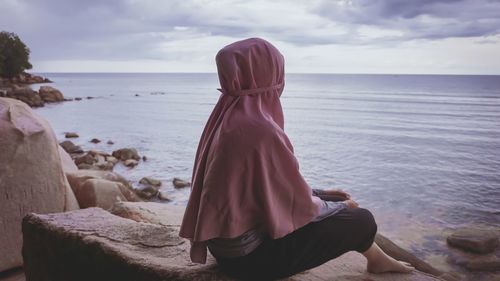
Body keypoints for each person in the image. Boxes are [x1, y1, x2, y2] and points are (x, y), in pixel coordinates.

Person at [179, 37, 414, 280]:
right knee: (361, 219)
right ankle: (377, 260)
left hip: (226, 248)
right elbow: (294, 205)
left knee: (334, 200)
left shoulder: (226, 115)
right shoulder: (259, 130)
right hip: (251, 261)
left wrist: (321, 194)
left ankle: (377, 259)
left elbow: (265, 189)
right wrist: (339, 207)